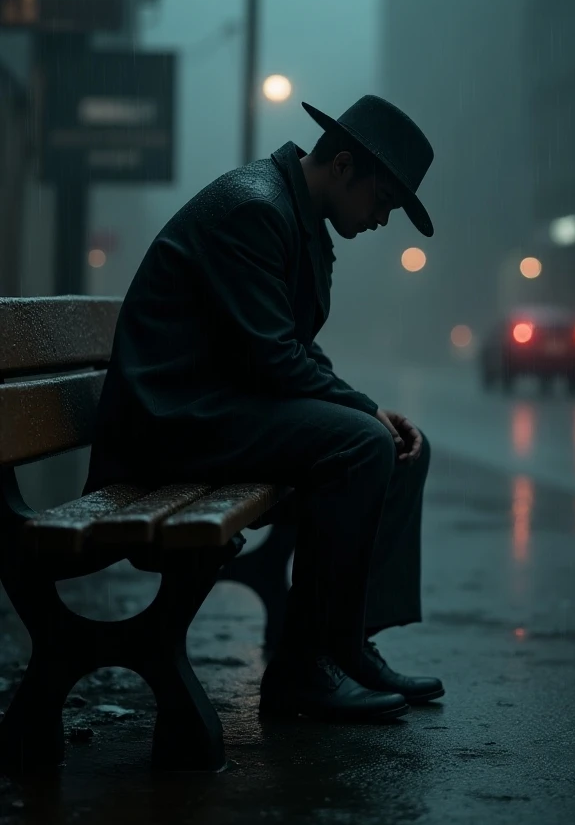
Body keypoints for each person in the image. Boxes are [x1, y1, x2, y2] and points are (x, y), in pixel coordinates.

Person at [85, 94, 444, 723]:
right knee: (362, 444)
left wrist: (370, 409)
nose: (383, 220)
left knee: (396, 444)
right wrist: (365, 414)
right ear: (340, 166)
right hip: (171, 424)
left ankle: (347, 647)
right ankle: (303, 672)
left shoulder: (291, 210)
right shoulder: (255, 209)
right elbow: (274, 359)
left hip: (212, 407)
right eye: (383, 201)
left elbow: (291, 346)